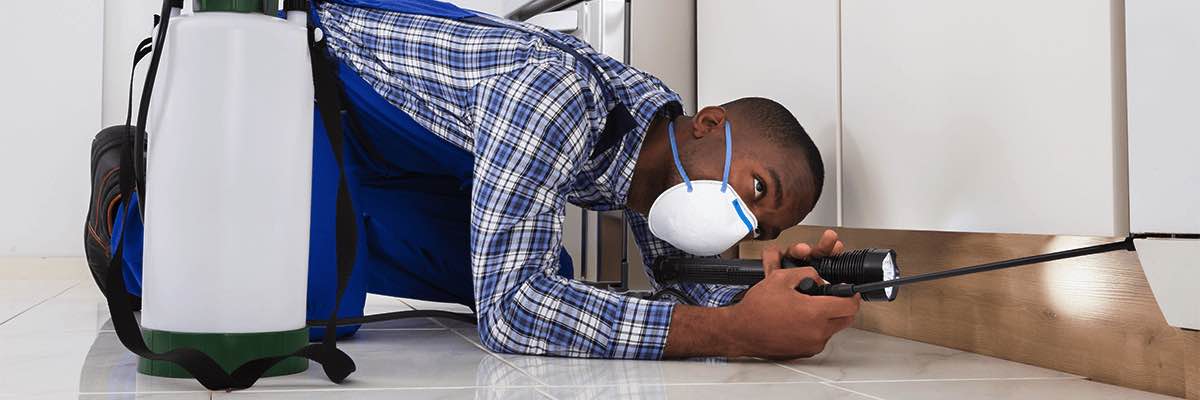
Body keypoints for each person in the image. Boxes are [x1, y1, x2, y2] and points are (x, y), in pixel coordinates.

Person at [94, 0, 860, 362]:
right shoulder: (560, 97)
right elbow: (513, 316)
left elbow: (670, 264)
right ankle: (125, 200)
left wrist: (754, 284)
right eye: (755, 190)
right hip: (321, 95)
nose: (738, 221)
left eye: (759, 227)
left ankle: (330, 219)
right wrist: (730, 332)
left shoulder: (651, 151)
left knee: (547, 270)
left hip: (408, 149)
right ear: (710, 123)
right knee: (307, 311)